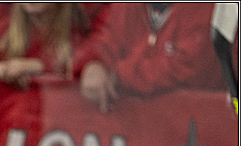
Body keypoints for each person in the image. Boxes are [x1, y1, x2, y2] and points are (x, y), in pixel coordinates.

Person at [78, 3, 223, 112]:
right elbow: (102, 42)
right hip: (137, 134)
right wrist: (93, 64)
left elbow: (187, 69)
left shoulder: (209, 10)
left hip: (202, 135)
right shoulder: (127, 7)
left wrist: (118, 75)